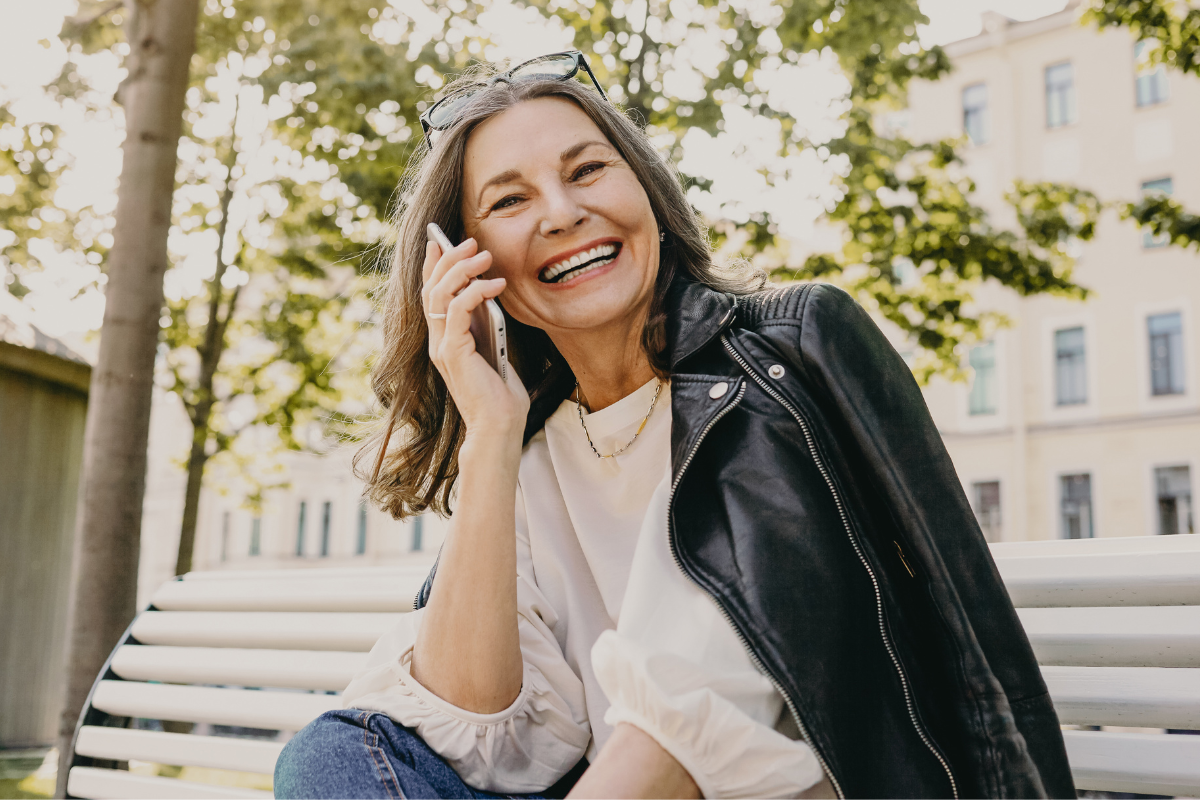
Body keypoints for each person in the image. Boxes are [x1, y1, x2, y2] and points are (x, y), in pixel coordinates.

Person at [274, 51, 1074, 800]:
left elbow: (680, 732)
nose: (563, 212)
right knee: (331, 755)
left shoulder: (786, 362)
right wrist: (489, 430)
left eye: (588, 170)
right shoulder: (528, 454)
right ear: (471, 267)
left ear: (648, 195)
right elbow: (475, 735)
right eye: (510, 201)